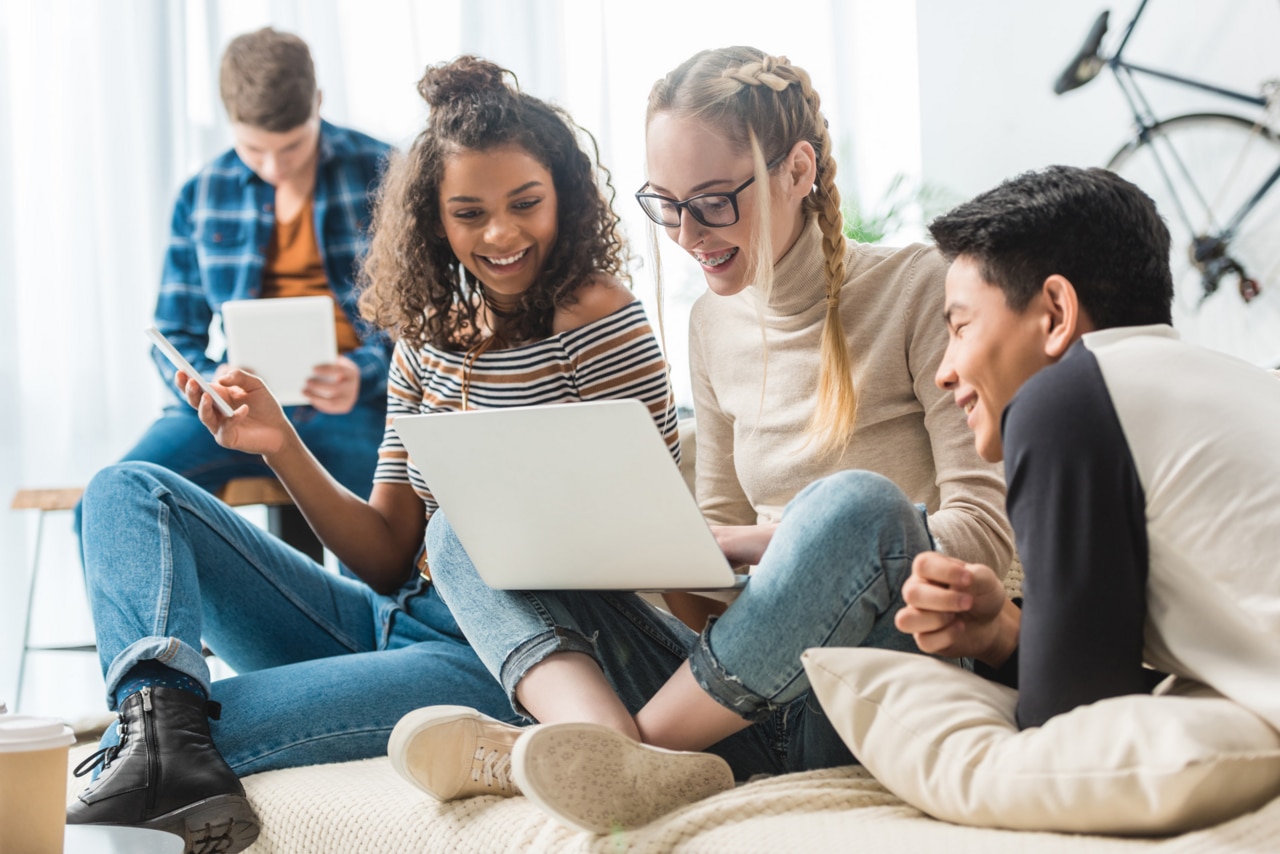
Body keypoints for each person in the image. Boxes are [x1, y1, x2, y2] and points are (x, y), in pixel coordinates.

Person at [388, 46, 1014, 834]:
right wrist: (631, 546)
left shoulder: (922, 287)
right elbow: (704, 590)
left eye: (715, 202)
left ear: (797, 170)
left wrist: (767, 542)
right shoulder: (712, 323)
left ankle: (608, 750)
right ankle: (607, 748)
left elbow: (984, 539)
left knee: (857, 508)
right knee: (460, 528)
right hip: (744, 696)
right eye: (667, 203)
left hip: (874, 676)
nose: (688, 234)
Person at [66, 55, 676, 854]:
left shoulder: (598, 320)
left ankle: (157, 744)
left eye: (525, 203)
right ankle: (155, 717)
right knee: (126, 491)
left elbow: (649, 530)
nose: (500, 233)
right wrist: (280, 443)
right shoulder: (428, 342)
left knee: (209, 728)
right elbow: (387, 556)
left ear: (563, 191)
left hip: (490, 651)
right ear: (435, 218)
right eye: (469, 213)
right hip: (385, 615)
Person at [895, 164, 1280, 732]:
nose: (943, 373)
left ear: (1055, 313)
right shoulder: (1245, 383)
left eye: (960, 327)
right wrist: (1004, 631)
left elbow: (1074, 720)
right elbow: (1107, 682)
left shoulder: (1064, 402)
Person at [119, 27, 392, 508]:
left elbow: (427, 320)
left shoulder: (384, 172)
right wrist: (207, 383)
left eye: (291, 147)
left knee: (385, 533)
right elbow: (173, 331)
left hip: (354, 406)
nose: (273, 167)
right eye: (253, 149)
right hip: (236, 406)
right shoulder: (200, 194)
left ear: (320, 103)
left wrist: (363, 373)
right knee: (119, 496)